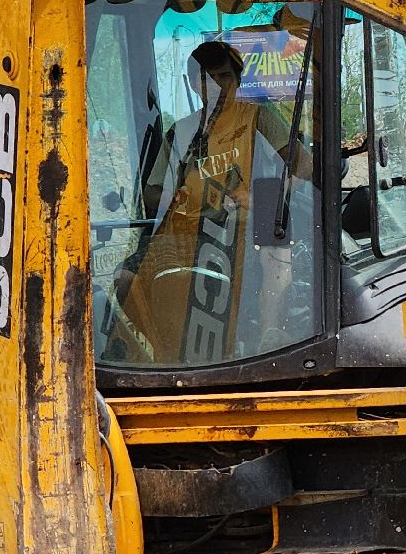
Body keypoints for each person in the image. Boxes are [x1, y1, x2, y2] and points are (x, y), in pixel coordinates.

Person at [115, 39, 314, 366]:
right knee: (126, 278)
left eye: (224, 77)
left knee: (272, 221)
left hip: (249, 224)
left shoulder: (258, 118)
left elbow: (303, 164)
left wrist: (262, 195)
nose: (217, 86)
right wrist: (176, 198)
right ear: (195, 84)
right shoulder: (180, 133)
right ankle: (159, 358)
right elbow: (152, 191)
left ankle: (269, 332)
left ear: (237, 80)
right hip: (190, 229)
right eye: (208, 79)